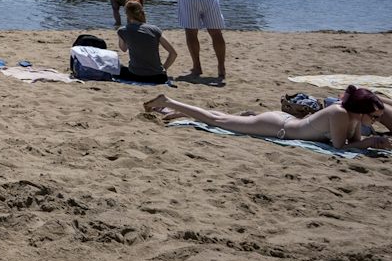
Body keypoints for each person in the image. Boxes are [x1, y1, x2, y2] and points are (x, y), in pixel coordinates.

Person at [143, 86, 389, 151]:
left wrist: (370, 141)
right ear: (362, 110)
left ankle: (170, 111)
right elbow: (339, 147)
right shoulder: (339, 113)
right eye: (375, 116)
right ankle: (168, 102)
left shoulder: (353, 118)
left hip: (281, 122)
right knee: (215, 121)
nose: (376, 121)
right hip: (276, 126)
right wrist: (369, 143)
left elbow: (352, 142)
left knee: (222, 118)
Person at [116, 0, 178, 82]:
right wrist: (164, 69)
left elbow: (123, 49)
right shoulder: (155, 29)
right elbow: (173, 53)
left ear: (127, 14)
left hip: (135, 75)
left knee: (118, 67)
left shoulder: (122, 30)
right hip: (158, 77)